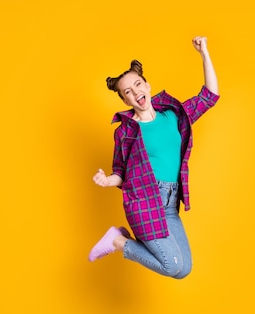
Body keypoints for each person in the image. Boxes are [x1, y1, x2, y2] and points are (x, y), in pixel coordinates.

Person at [88, 36, 219, 279]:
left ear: (147, 86)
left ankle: (119, 240)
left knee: (184, 269)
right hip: (145, 202)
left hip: (170, 203)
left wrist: (204, 54)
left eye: (138, 84)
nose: (135, 91)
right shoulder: (126, 131)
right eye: (127, 91)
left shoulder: (173, 115)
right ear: (125, 100)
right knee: (171, 266)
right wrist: (107, 180)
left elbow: (209, 96)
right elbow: (120, 172)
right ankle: (117, 242)